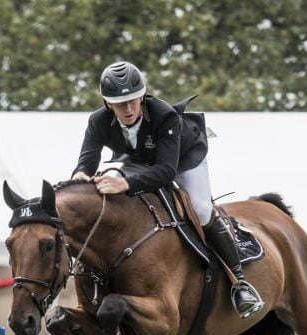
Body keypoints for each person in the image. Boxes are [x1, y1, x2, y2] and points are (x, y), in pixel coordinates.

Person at [71, 60, 263, 319]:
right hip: (140, 161)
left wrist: (126, 184)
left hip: (183, 161)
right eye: (120, 103)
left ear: (142, 96)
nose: (128, 108)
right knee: (108, 180)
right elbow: (86, 162)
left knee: (201, 209)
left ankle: (240, 283)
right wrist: (80, 177)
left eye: (133, 100)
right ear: (108, 104)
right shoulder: (98, 120)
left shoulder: (164, 115)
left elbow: (165, 172)